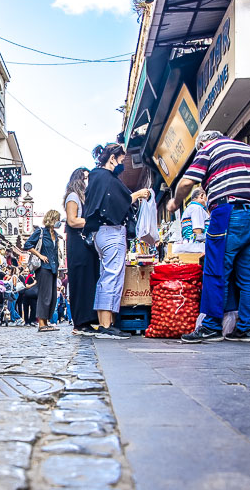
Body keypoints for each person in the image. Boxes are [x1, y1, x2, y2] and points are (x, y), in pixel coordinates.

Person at [167, 130, 250, 343]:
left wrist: (175, 203)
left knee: (216, 269)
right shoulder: (245, 148)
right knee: (247, 275)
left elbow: (187, 183)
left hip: (227, 212)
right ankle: (245, 328)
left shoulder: (209, 148)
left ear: (203, 142)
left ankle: (211, 325)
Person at [83, 143, 150, 339]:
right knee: (111, 276)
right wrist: (138, 194)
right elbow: (117, 202)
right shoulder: (106, 178)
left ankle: (107, 321)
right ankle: (105, 324)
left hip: (101, 233)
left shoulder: (97, 178)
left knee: (108, 275)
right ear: (112, 159)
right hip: (111, 232)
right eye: (121, 160)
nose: (123, 164)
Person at [63, 167, 99, 335]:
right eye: (86, 178)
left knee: (88, 279)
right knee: (80, 279)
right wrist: (95, 221)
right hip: (78, 243)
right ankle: (80, 321)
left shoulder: (85, 198)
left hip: (85, 244)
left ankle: (88, 319)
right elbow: (72, 221)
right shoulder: (73, 196)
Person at [24, 210, 61, 332]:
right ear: (52, 219)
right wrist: (40, 255)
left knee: (51, 296)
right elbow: (28, 245)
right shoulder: (40, 232)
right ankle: (41, 323)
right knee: (44, 295)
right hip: (43, 268)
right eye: (57, 219)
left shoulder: (55, 235)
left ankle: (46, 321)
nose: (58, 222)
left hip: (53, 267)